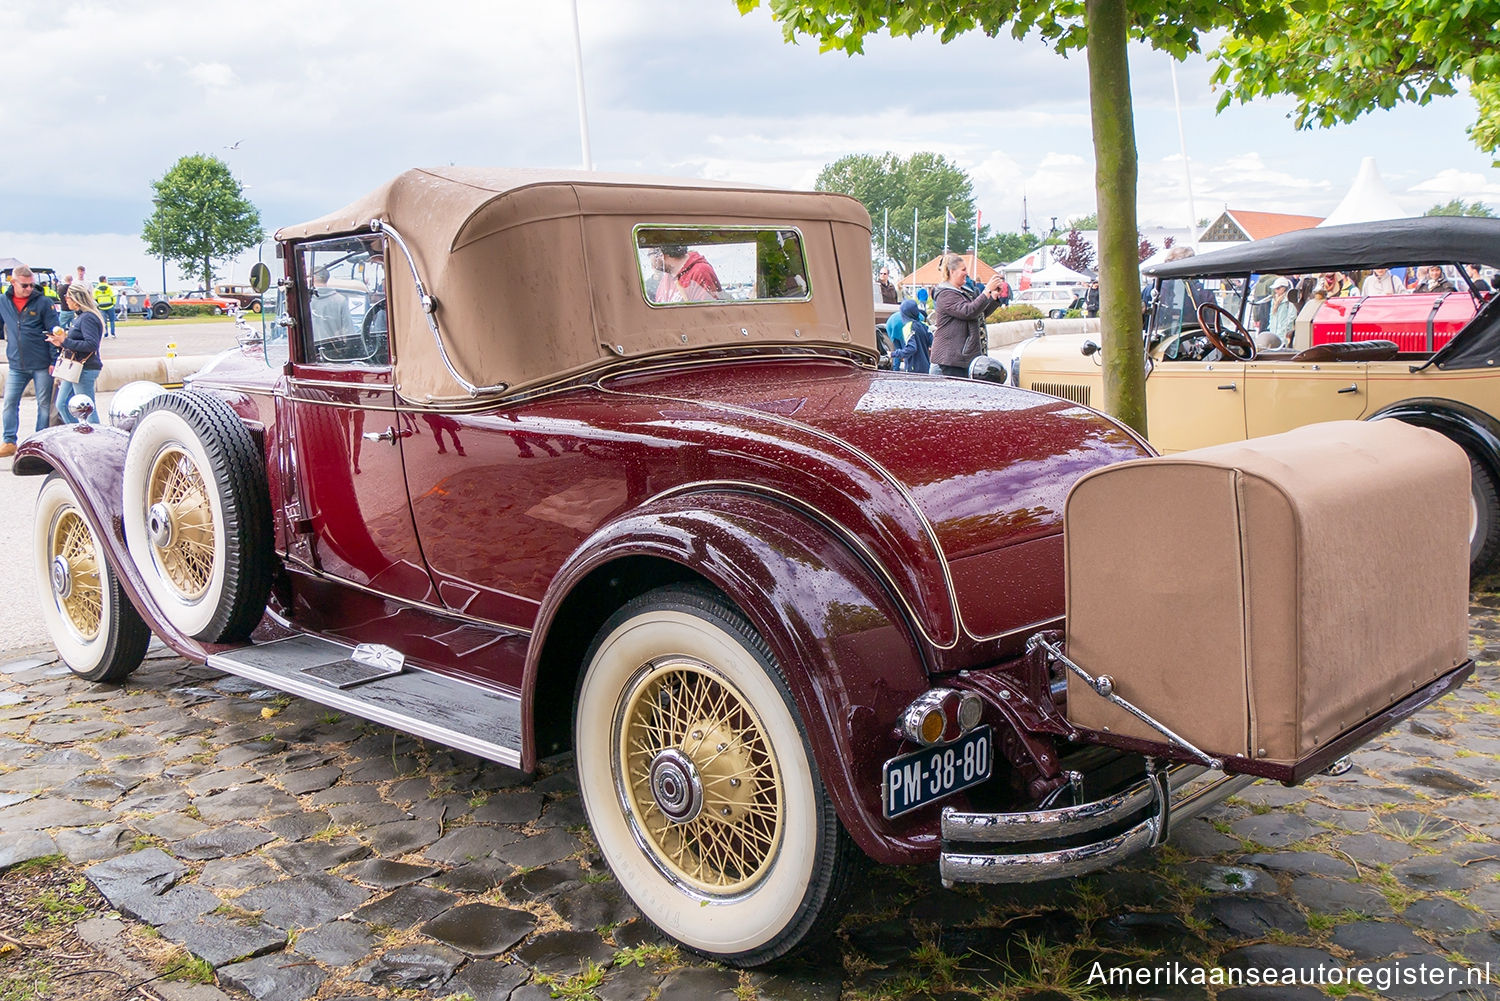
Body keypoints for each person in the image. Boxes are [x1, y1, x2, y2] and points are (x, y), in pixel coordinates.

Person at [0, 265, 61, 457]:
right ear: (13, 282)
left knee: (44, 405)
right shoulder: (3, 301)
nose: (28, 289)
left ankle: (38, 442)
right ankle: (9, 441)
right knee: (10, 402)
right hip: (17, 364)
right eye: (24, 285)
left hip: (42, 363)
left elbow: (54, 331)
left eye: (31, 285)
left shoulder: (43, 302)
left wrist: (54, 359)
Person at [929, 254, 1004, 376]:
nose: (966, 273)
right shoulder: (945, 294)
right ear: (952, 272)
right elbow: (968, 311)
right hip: (950, 361)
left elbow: (979, 314)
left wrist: (993, 297)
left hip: (961, 359)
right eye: (963, 270)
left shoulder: (963, 292)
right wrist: (986, 291)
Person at [48, 285, 104, 424]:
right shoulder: (80, 317)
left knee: (86, 408)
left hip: (84, 368)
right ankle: (77, 431)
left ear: (76, 299)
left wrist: (65, 341)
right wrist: (61, 343)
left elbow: (91, 345)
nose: (65, 300)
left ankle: (94, 436)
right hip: (75, 368)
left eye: (67, 297)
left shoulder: (87, 318)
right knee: (61, 404)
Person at [308, 266, 353, 343]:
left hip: (308, 351)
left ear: (313, 279)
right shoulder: (340, 300)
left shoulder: (305, 300)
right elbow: (348, 331)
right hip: (333, 352)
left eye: (308, 277)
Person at [890, 298, 932, 374]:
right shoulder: (924, 326)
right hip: (926, 367)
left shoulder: (908, 327)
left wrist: (893, 354)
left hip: (913, 369)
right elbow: (932, 343)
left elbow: (911, 348)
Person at [1262, 278, 1296, 349]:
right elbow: (1271, 315)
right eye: (1275, 288)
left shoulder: (1289, 299)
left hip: (1284, 332)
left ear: (1284, 288)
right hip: (1274, 331)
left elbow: (1292, 315)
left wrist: (1286, 329)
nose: (1275, 290)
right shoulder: (1274, 299)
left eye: (1278, 288)